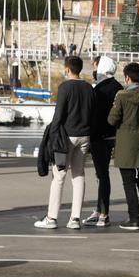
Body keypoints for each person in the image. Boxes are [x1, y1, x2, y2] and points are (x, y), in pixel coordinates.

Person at [35, 56, 95, 230]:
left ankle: (52, 217)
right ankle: (75, 218)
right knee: (79, 175)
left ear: (67, 69)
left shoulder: (65, 87)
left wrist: (52, 136)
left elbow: (59, 114)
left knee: (59, 176)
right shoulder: (88, 88)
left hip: (66, 137)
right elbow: (92, 112)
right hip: (85, 136)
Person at [108, 62, 139, 230]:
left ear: (127, 78)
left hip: (126, 143)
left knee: (128, 183)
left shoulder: (121, 96)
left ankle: (133, 218)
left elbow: (112, 119)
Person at [85, 56, 122, 228]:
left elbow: (93, 113)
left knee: (102, 174)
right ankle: (100, 209)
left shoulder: (99, 88)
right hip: (113, 135)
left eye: (95, 66)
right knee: (101, 174)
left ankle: (104, 212)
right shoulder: (118, 87)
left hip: (99, 136)